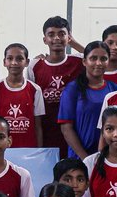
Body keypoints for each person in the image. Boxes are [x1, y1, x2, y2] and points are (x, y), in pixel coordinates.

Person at [28, 16, 85, 156]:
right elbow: (31, 100)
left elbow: (95, 55)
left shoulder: (79, 61)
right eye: (51, 34)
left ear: (69, 37)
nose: (57, 38)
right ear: (45, 39)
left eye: (61, 34)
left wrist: (73, 42)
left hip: (75, 131)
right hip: (47, 131)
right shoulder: (35, 65)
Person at [58, 41, 117, 159]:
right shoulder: (72, 89)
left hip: (110, 158)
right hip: (79, 159)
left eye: (103, 59)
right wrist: (86, 159)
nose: (98, 63)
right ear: (84, 61)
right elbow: (66, 128)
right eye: (93, 58)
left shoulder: (115, 90)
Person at [0, 43, 46, 148]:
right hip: (2, 151)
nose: (14, 62)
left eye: (19, 58)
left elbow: (38, 126)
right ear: (4, 62)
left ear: (27, 62)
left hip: (29, 150)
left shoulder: (35, 89)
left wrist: (39, 151)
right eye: (10, 58)